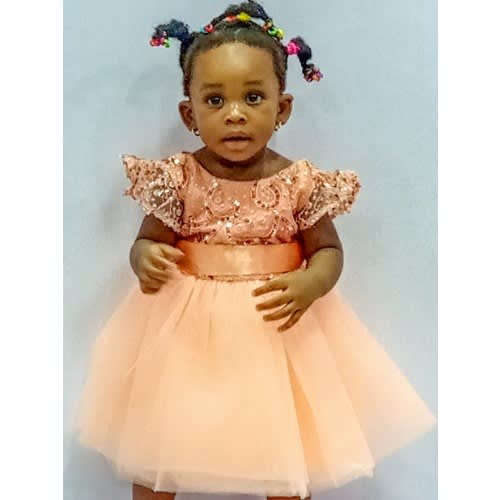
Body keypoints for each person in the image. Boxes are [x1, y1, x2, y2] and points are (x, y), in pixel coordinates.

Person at [75, 2, 436, 499]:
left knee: (286, 443)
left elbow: (328, 250)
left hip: (276, 328)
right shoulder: (178, 178)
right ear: (189, 113)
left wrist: (312, 281)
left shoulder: (299, 182)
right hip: (186, 335)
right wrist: (145, 259)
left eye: (253, 96)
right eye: (215, 100)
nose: (235, 114)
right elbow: (148, 239)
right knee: (162, 440)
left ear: (282, 108)